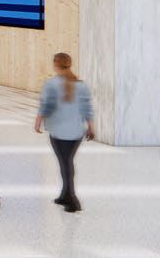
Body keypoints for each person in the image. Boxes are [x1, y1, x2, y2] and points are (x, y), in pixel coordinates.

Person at [36, 52, 95, 213]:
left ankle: (72, 200)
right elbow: (87, 108)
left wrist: (38, 121)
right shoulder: (81, 85)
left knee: (65, 164)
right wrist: (91, 126)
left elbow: (46, 105)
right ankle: (64, 195)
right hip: (77, 132)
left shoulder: (51, 84)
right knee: (67, 162)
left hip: (58, 131)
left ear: (55, 65)